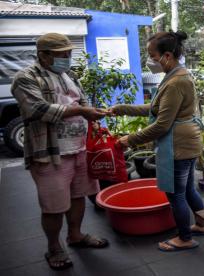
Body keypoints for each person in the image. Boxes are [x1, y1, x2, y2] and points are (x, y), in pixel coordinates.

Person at [11, 33, 110, 270]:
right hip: (50, 154)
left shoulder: (70, 74)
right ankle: (54, 247)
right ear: (43, 55)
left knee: (79, 196)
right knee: (54, 206)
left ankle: (75, 235)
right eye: (61, 54)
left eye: (68, 53)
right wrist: (82, 112)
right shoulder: (25, 78)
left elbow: (82, 101)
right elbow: (38, 109)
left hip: (79, 148)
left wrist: (92, 117)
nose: (67, 57)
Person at [109, 31, 204, 252]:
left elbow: (162, 124)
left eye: (151, 55)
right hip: (187, 142)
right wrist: (122, 109)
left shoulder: (175, 82)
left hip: (178, 145)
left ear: (166, 55)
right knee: (188, 190)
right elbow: (155, 108)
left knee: (175, 194)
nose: (149, 60)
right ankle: (202, 224)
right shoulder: (175, 75)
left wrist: (130, 140)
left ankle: (184, 238)